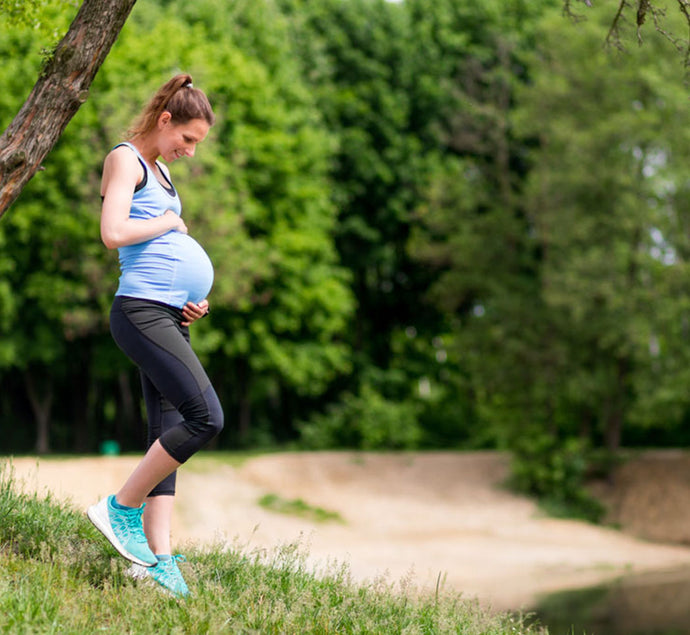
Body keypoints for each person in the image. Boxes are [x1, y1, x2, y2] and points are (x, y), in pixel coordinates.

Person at [87, 74, 224, 598]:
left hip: (170, 314)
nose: (188, 151)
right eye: (186, 139)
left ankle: (157, 559)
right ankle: (120, 507)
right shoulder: (126, 159)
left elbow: (164, 246)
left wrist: (194, 298)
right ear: (165, 120)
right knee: (205, 418)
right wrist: (168, 222)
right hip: (139, 313)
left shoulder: (162, 172)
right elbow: (113, 232)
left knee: (166, 429)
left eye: (195, 144)